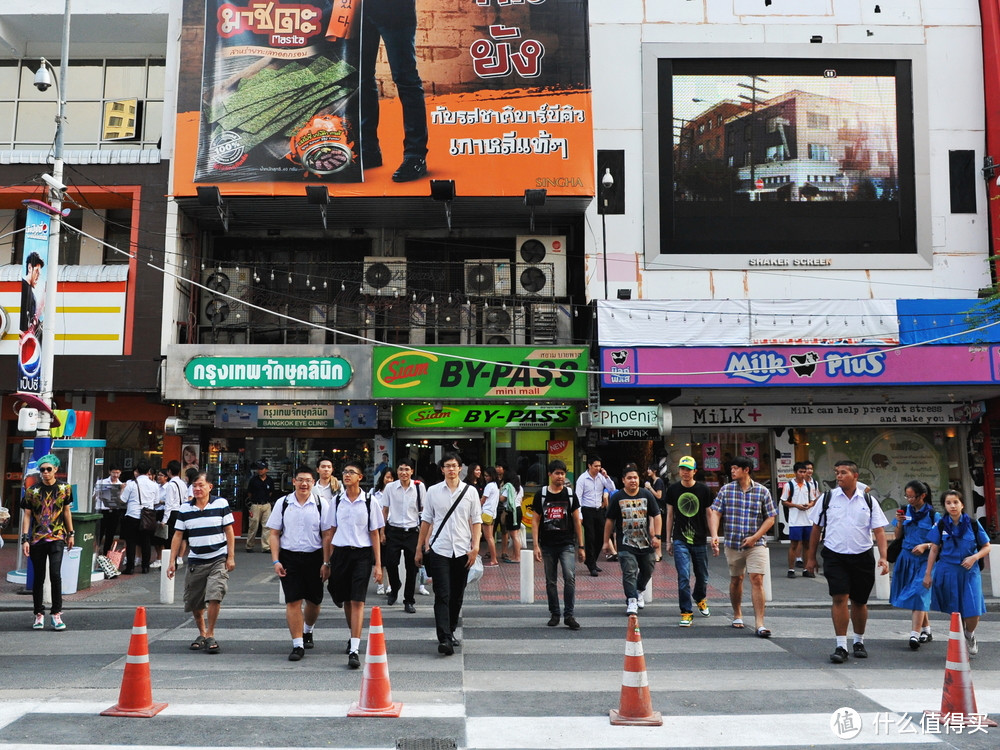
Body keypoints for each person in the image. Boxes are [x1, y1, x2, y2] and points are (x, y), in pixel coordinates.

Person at [805, 459, 889, 664]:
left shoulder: (868, 500)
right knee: (839, 597)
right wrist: (811, 558)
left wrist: (884, 558)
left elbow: (879, 531)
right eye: (837, 472)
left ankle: (858, 641)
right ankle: (841, 645)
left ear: (855, 476)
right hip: (835, 554)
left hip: (862, 555)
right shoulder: (827, 498)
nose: (839, 476)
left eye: (843, 472)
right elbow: (816, 528)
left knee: (860, 601)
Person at [352, 0, 428, 182]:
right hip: (358, 8)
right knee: (360, 78)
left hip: (396, 9)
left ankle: (415, 155)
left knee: (406, 79)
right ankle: (368, 150)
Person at [415, 453, 481, 656]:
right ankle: (444, 638)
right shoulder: (433, 491)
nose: (451, 469)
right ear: (442, 469)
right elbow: (426, 520)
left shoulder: (470, 492)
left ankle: (451, 630)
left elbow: (477, 520)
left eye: (454, 466)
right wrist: (420, 548)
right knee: (442, 594)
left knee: (457, 595)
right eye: (447, 466)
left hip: (462, 550)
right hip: (439, 549)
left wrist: (476, 546)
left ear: (460, 468)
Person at [267, 465, 333, 661]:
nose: (304, 484)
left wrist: (326, 562)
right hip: (290, 557)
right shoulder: (283, 503)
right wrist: (276, 560)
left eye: (308, 481)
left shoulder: (322, 504)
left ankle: (308, 629)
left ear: (313, 483)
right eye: (300, 480)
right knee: (293, 601)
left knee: (314, 601)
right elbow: (274, 534)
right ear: (293, 481)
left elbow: (327, 535)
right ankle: (297, 645)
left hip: (315, 557)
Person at [324, 461, 385, 669]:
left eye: (352, 472)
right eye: (345, 472)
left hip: (362, 555)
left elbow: (374, 533)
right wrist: (327, 561)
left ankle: (354, 649)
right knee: (346, 600)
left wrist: (378, 564)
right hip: (341, 553)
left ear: (360, 477)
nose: (347, 475)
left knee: (358, 600)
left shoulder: (369, 501)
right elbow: (330, 532)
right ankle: (353, 636)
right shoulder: (337, 500)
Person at [166, 472, 235, 654]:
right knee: (195, 603)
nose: (197, 489)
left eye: (201, 485)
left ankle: (210, 634)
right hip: (196, 561)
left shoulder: (221, 504)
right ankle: (202, 633)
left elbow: (229, 531)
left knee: (215, 595)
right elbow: (178, 535)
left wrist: (231, 556)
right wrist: (172, 561)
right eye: (194, 486)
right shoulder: (185, 509)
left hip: (218, 558)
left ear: (210, 487)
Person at [708, 456, 777, 638]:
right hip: (732, 543)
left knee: (757, 579)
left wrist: (755, 537)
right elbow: (716, 512)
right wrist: (715, 535)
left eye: (736, 468)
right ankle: (737, 613)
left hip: (756, 544)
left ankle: (759, 624)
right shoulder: (726, 490)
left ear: (746, 469)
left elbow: (770, 517)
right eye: (731, 468)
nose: (732, 471)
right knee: (736, 579)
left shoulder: (762, 491)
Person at [923, 489, 991, 656]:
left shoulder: (973, 524)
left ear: (962, 504)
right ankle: (960, 640)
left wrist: (974, 557)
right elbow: (933, 549)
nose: (952, 506)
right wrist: (928, 573)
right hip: (948, 571)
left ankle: (969, 634)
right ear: (945, 506)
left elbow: (986, 546)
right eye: (948, 503)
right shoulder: (941, 525)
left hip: (969, 572)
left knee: (973, 609)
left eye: (955, 502)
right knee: (956, 609)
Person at [21, 454, 74, 630]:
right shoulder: (32, 491)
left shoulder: (65, 488)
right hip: (37, 539)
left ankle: (56, 613)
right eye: (42, 469)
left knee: (55, 574)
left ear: (56, 470)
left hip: (57, 537)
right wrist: (25, 539)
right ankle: (38, 613)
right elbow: (27, 515)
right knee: (38, 577)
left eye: (48, 469)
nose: (45, 472)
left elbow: (66, 512)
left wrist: (71, 533)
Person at [532, 459, 584, 630]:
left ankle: (569, 615)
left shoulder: (570, 494)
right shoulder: (541, 495)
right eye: (557, 473)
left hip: (567, 544)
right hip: (547, 545)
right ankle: (555, 613)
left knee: (570, 578)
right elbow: (535, 521)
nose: (560, 476)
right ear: (550, 474)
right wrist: (535, 546)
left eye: (563, 473)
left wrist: (581, 546)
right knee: (550, 581)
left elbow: (577, 521)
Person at [604, 464, 661, 616]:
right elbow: (609, 520)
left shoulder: (646, 494)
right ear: (623, 480)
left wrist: (658, 536)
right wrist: (605, 542)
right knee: (629, 571)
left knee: (648, 568)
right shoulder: (617, 497)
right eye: (629, 478)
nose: (633, 481)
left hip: (645, 542)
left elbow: (657, 515)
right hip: (625, 543)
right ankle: (631, 600)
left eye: (635, 477)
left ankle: (639, 590)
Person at [664, 455, 713, 627]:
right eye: (682, 469)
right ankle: (686, 612)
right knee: (683, 576)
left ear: (694, 471)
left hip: (699, 540)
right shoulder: (673, 490)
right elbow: (669, 515)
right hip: (680, 539)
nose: (685, 472)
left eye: (689, 469)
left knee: (702, 576)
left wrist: (714, 536)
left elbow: (709, 513)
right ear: (679, 471)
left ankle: (699, 597)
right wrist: (668, 540)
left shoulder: (704, 490)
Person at [890, 481, 940, 649]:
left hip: (926, 560)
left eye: (913, 496)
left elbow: (940, 541)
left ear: (923, 496)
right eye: (907, 496)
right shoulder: (905, 510)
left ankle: (914, 635)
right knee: (919, 595)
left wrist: (925, 545)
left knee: (919, 592)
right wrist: (899, 522)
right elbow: (897, 537)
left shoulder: (934, 516)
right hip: (906, 558)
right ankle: (926, 630)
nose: (909, 500)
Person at [380, 460, 424, 613]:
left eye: (406, 469)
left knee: (411, 568)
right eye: (400, 469)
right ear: (397, 471)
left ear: (411, 471)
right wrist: (382, 531)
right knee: (390, 562)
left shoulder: (419, 487)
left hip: (412, 531)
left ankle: (409, 600)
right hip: (394, 530)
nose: (403, 472)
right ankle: (395, 585)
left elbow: (424, 511)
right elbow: (384, 510)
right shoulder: (390, 488)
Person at [575, 455, 615, 577]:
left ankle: (592, 560)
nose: (598, 468)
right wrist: (579, 514)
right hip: (587, 510)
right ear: (589, 465)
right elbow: (578, 497)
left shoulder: (601, 477)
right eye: (595, 466)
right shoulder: (582, 479)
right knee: (590, 537)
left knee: (602, 537)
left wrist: (606, 477)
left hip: (599, 510)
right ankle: (591, 565)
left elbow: (612, 488)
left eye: (599, 466)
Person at [781, 461, 818, 578]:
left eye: (804, 472)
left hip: (808, 519)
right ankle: (791, 569)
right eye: (800, 472)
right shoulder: (789, 485)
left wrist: (810, 505)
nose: (803, 474)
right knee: (794, 544)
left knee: (807, 544)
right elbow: (784, 501)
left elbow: (814, 500)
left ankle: (806, 569)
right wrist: (797, 506)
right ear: (795, 473)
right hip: (795, 520)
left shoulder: (809, 485)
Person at [120, 461, 157, 574]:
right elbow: (156, 501)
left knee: (131, 542)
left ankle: (130, 567)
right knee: (146, 542)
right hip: (148, 516)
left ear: (137, 471)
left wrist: (122, 489)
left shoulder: (131, 484)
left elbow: (123, 499)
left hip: (132, 515)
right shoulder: (154, 485)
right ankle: (145, 567)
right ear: (148, 471)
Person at [372, 468, 395, 596]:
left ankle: (390, 585)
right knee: (379, 558)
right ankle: (380, 584)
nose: (389, 480)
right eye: (387, 477)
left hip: (391, 526)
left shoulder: (396, 493)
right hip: (377, 527)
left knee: (390, 559)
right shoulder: (374, 493)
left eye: (391, 478)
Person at [92, 464, 124, 555]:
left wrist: (121, 490)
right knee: (99, 533)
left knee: (110, 534)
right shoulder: (101, 482)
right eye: (114, 472)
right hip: (103, 510)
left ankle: (106, 553)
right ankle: (95, 552)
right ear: (109, 472)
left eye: (118, 473)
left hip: (114, 511)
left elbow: (122, 500)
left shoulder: (121, 485)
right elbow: (94, 497)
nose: (115, 475)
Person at [245, 460, 275, 553]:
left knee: (267, 526)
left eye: (262, 469)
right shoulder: (253, 480)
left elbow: (271, 493)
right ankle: (249, 545)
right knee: (253, 525)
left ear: (266, 470)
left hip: (266, 504)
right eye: (259, 469)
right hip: (255, 504)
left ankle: (266, 547)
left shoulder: (269, 480)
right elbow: (249, 493)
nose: (260, 471)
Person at [498, 470, 523, 563]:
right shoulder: (520, 487)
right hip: (519, 510)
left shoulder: (508, 487)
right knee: (515, 534)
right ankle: (515, 555)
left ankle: (517, 557)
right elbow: (521, 500)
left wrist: (499, 492)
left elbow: (502, 499)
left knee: (514, 535)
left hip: (512, 511)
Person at [479, 466, 500, 566]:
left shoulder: (489, 486)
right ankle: (494, 558)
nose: (485, 477)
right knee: (490, 537)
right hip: (492, 513)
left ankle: (494, 559)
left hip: (486, 513)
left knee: (488, 538)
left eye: (487, 476)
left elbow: (483, 500)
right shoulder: (496, 486)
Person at [19, 251, 44, 334]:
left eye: (39, 274)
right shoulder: (23, 287)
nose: (38, 277)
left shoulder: (29, 290)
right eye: (37, 271)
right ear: (30, 268)